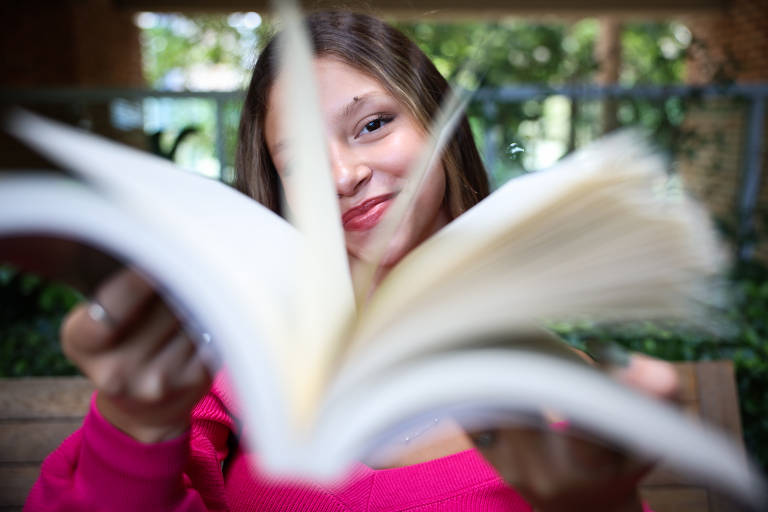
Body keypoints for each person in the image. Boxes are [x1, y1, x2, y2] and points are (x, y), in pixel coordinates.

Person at [24, 11, 675, 512]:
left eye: (371, 124)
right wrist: (133, 428)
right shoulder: (219, 368)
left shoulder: (567, 397)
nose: (343, 174)